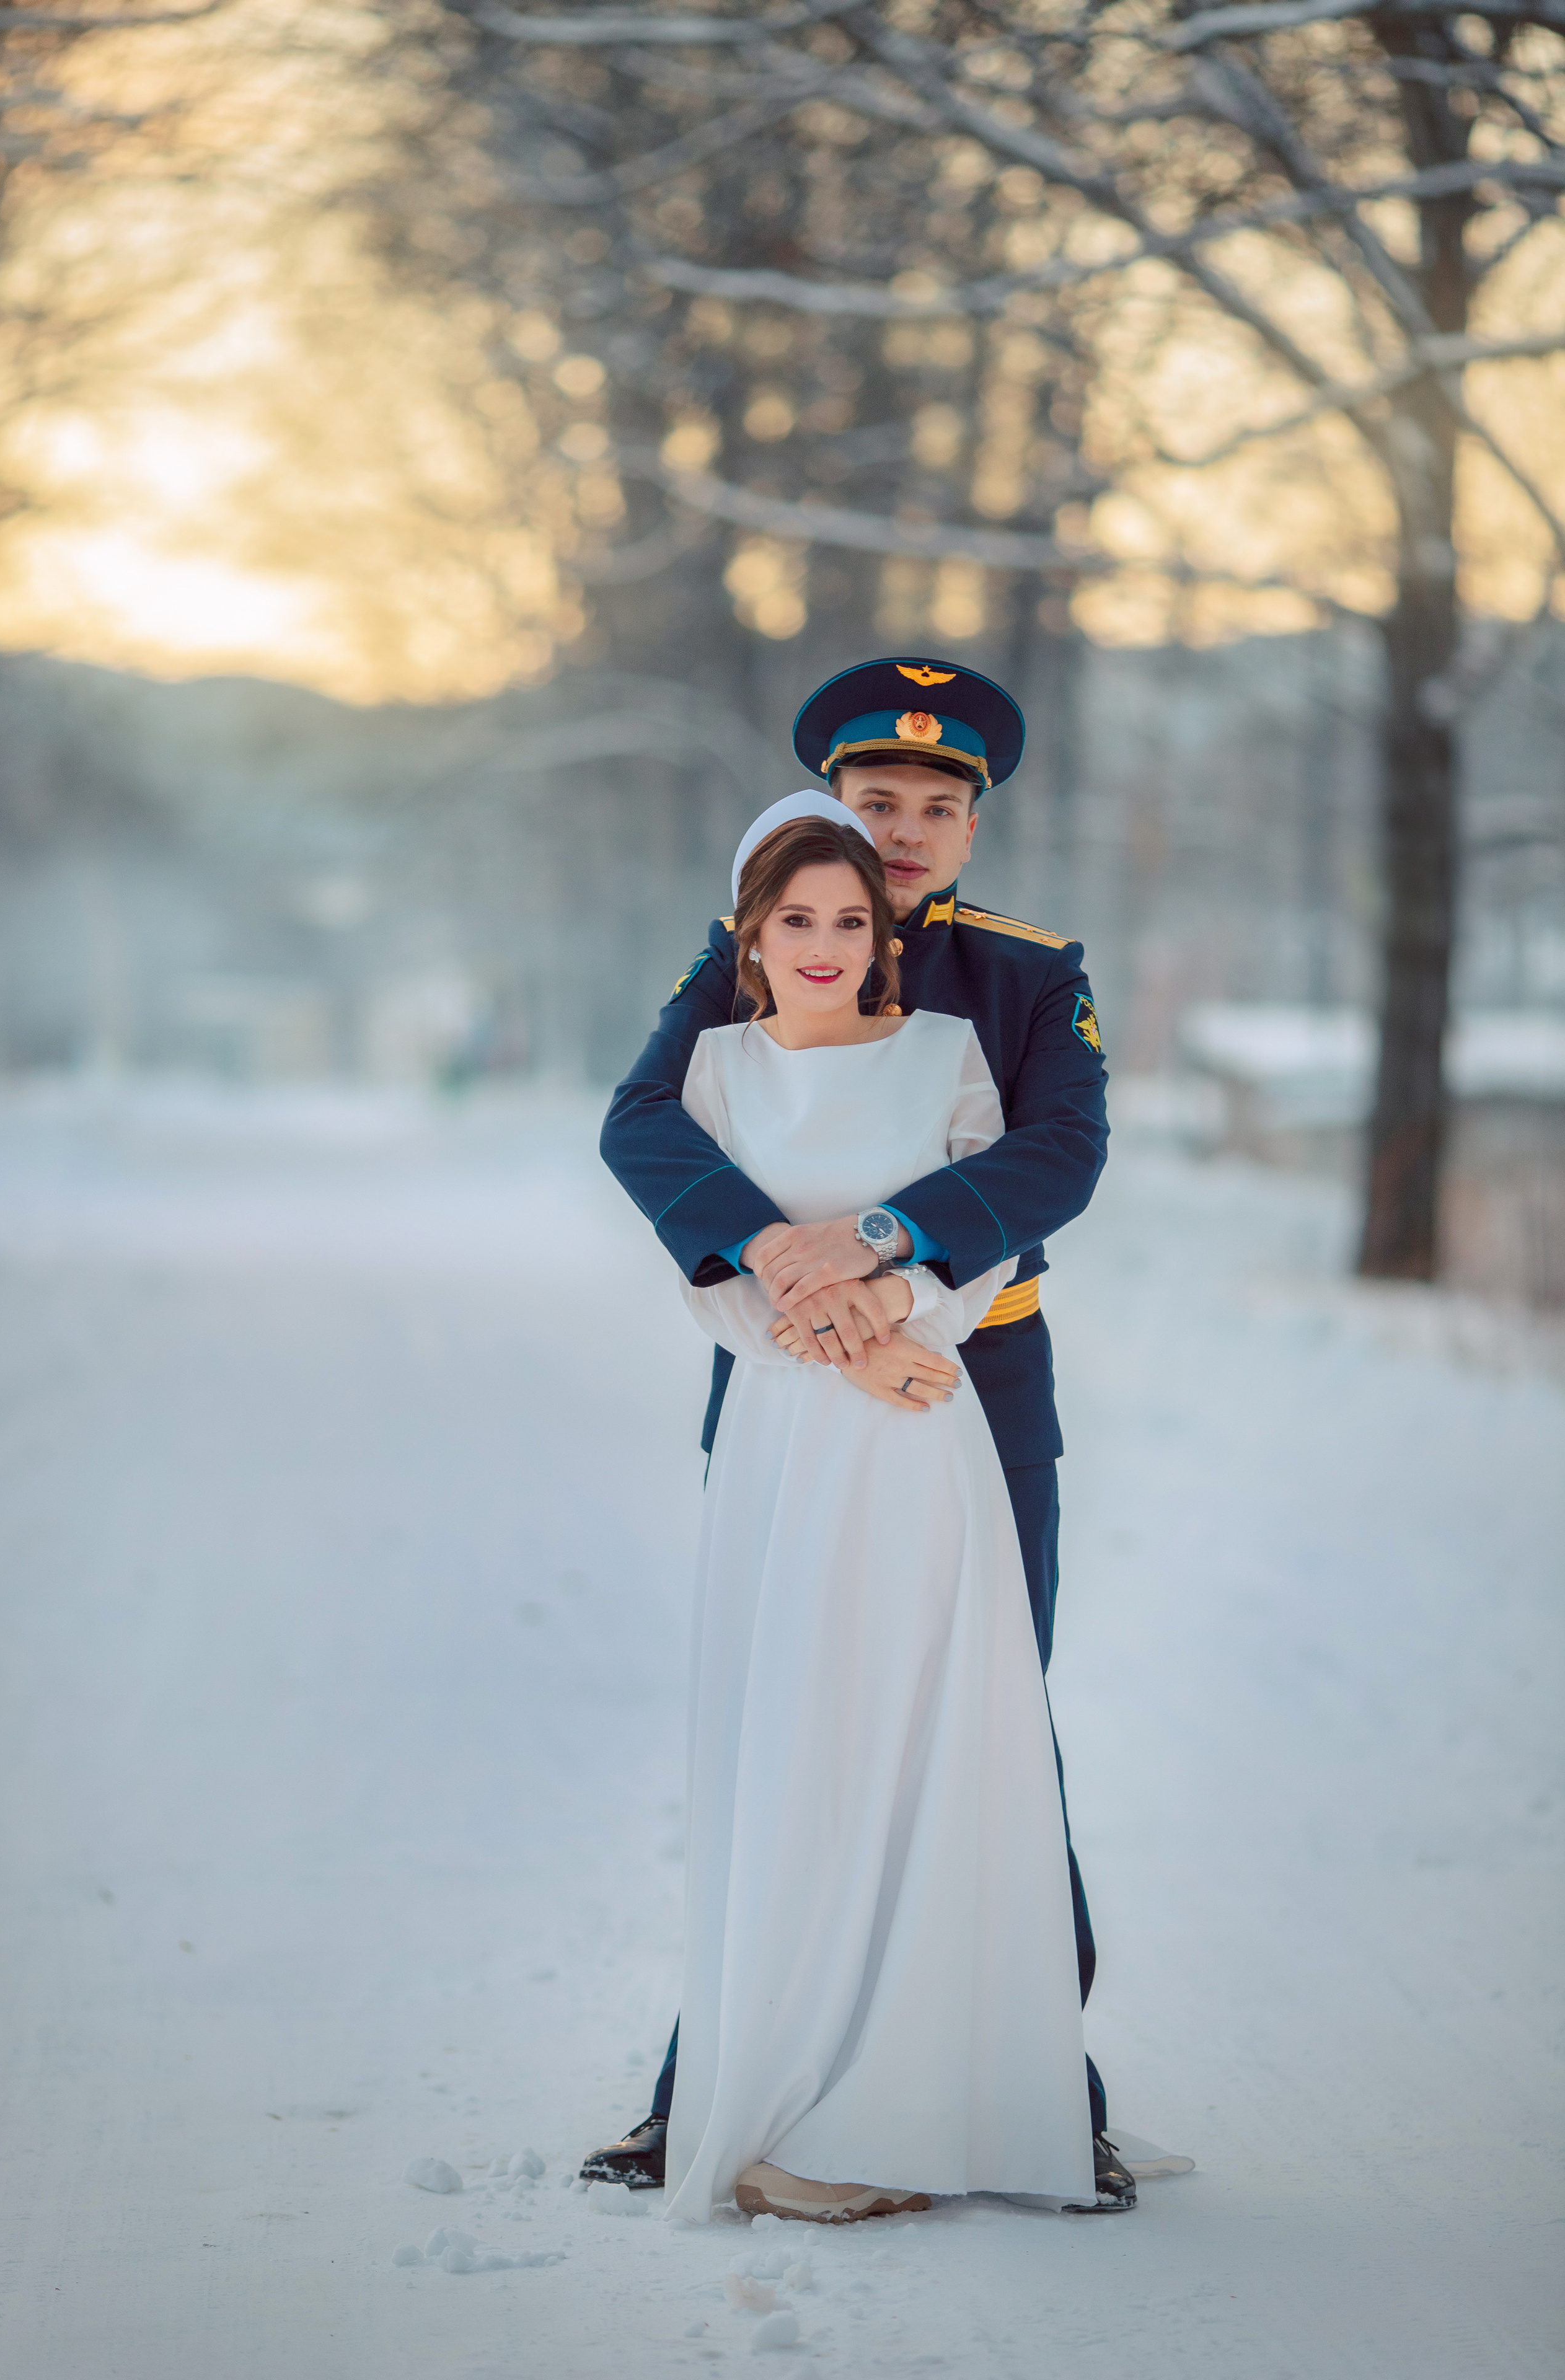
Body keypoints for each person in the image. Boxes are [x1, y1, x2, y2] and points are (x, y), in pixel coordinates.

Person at [593, 656, 1133, 2213]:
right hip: (783, 1380)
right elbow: (646, 1120)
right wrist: (781, 1266)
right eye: (873, 799)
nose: (899, 832)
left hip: (973, 1387)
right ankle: (712, 2092)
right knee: (789, 1720)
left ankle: (1044, 2095)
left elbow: (1059, 1153)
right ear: (829, 804)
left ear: (970, 827)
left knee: (988, 1720)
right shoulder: (764, 940)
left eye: (932, 809)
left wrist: (886, 1249)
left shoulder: (1025, 976)